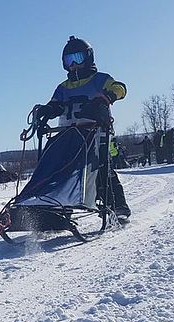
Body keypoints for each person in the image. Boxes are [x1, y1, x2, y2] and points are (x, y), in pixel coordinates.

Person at [35, 35, 131, 219]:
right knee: (55, 169)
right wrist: (47, 110)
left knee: (102, 170)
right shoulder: (63, 87)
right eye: (68, 60)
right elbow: (55, 104)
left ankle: (118, 206)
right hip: (68, 137)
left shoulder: (100, 79)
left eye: (77, 59)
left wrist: (108, 97)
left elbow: (121, 88)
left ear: (88, 58)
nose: (73, 65)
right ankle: (55, 209)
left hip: (96, 134)